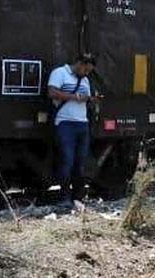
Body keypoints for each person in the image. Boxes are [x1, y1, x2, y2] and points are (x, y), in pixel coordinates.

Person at [48, 53, 99, 209]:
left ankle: (78, 197)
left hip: (82, 124)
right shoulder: (60, 73)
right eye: (86, 69)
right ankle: (64, 197)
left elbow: (84, 99)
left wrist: (91, 100)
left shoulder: (84, 80)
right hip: (65, 123)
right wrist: (74, 97)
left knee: (80, 162)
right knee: (67, 160)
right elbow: (51, 92)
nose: (87, 73)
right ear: (79, 64)